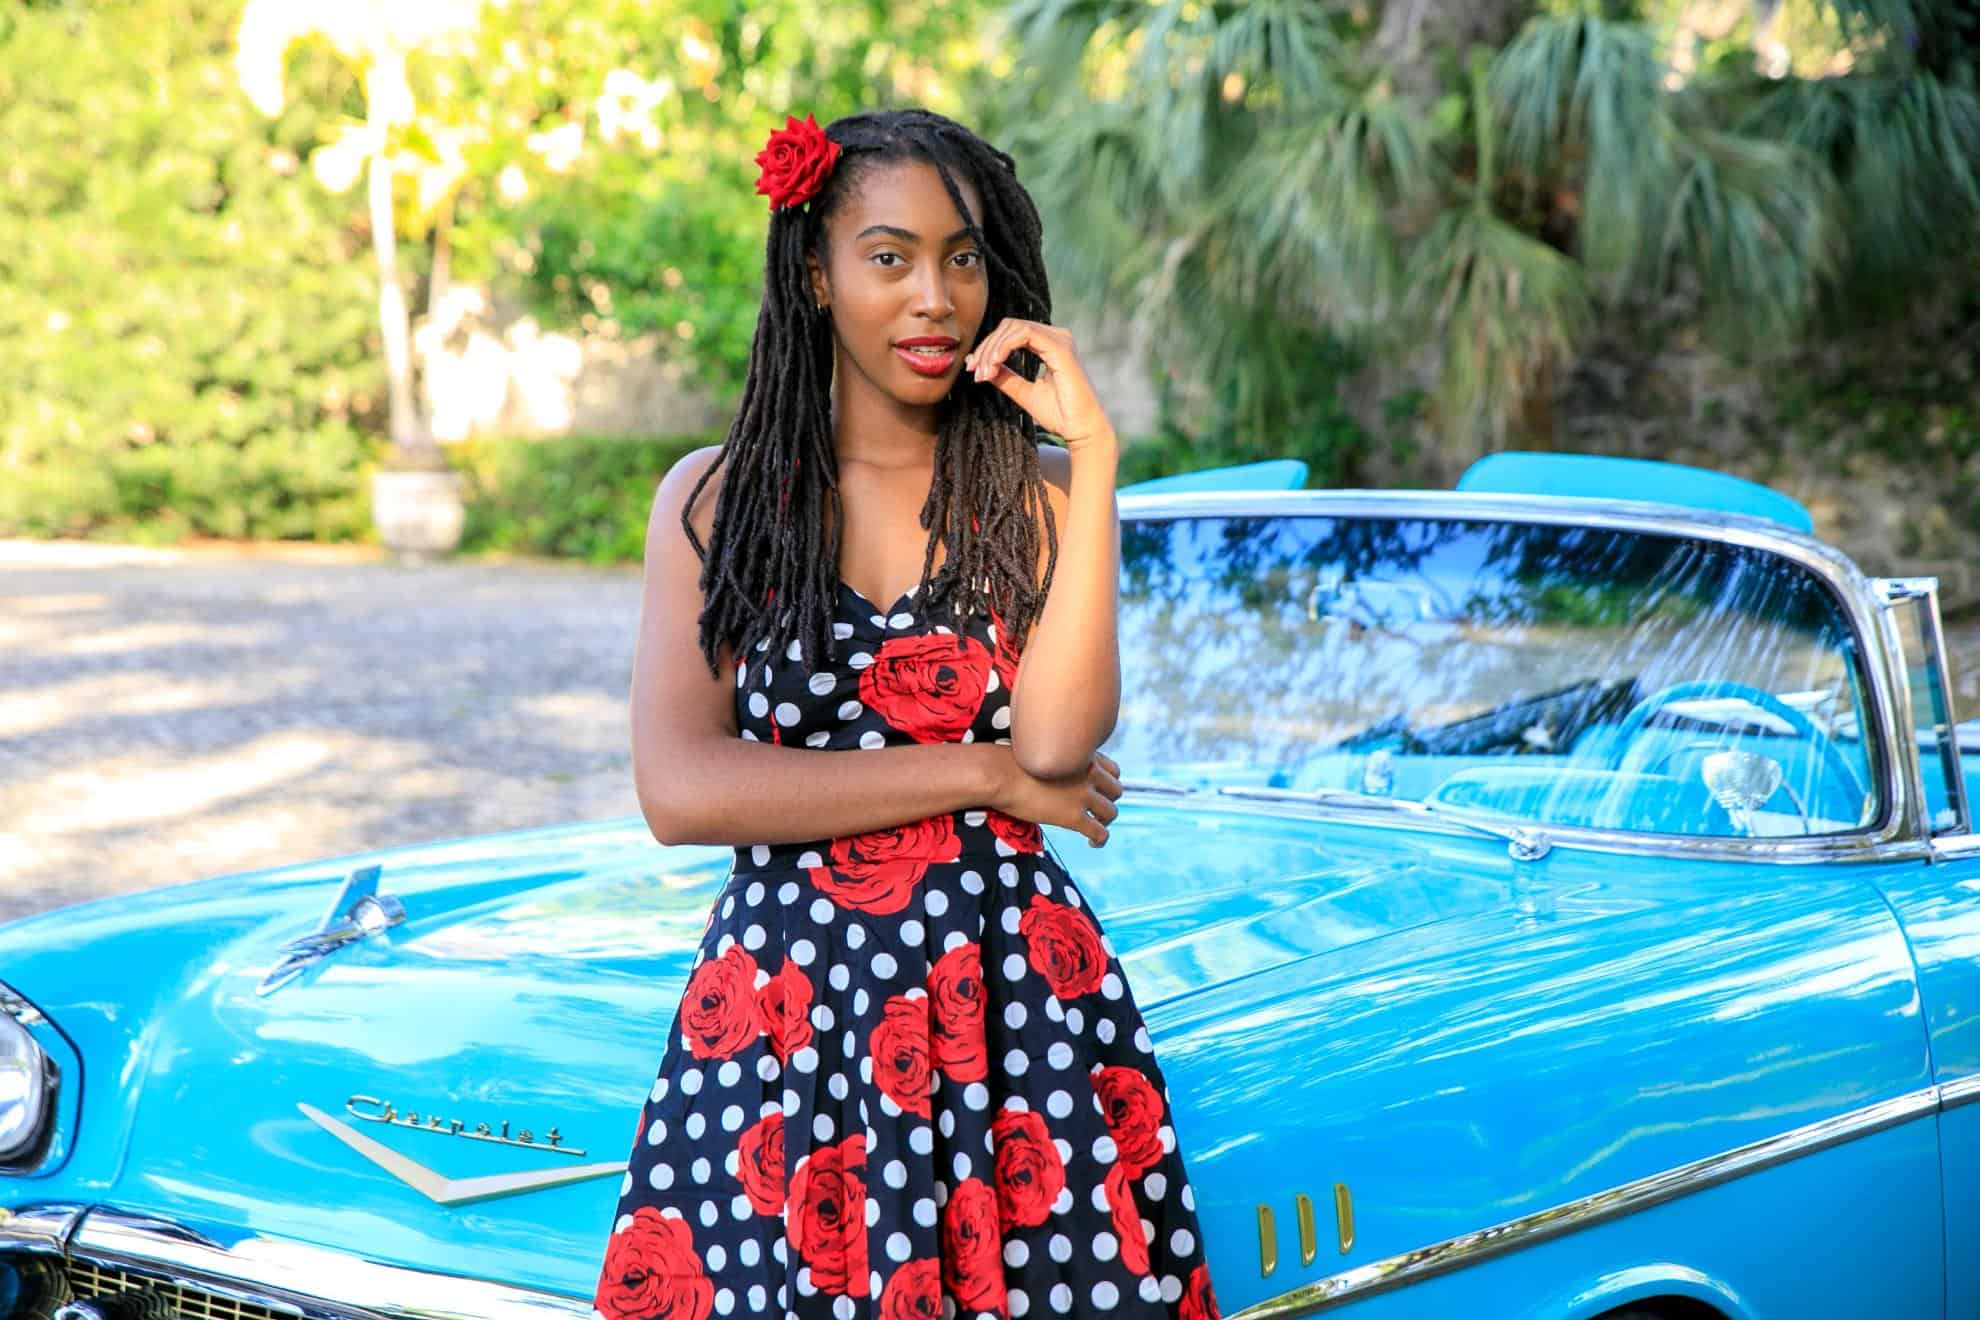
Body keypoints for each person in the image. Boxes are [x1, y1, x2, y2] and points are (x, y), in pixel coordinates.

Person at [591, 106, 1221, 1320]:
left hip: (1016, 1017)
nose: (935, 295)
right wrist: (979, 778)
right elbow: (684, 790)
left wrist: (1093, 457)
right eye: (889, 258)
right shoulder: (719, 501)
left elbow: (1058, 743)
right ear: (816, 277)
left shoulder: (1031, 495)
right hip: (789, 1019)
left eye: (963, 256)